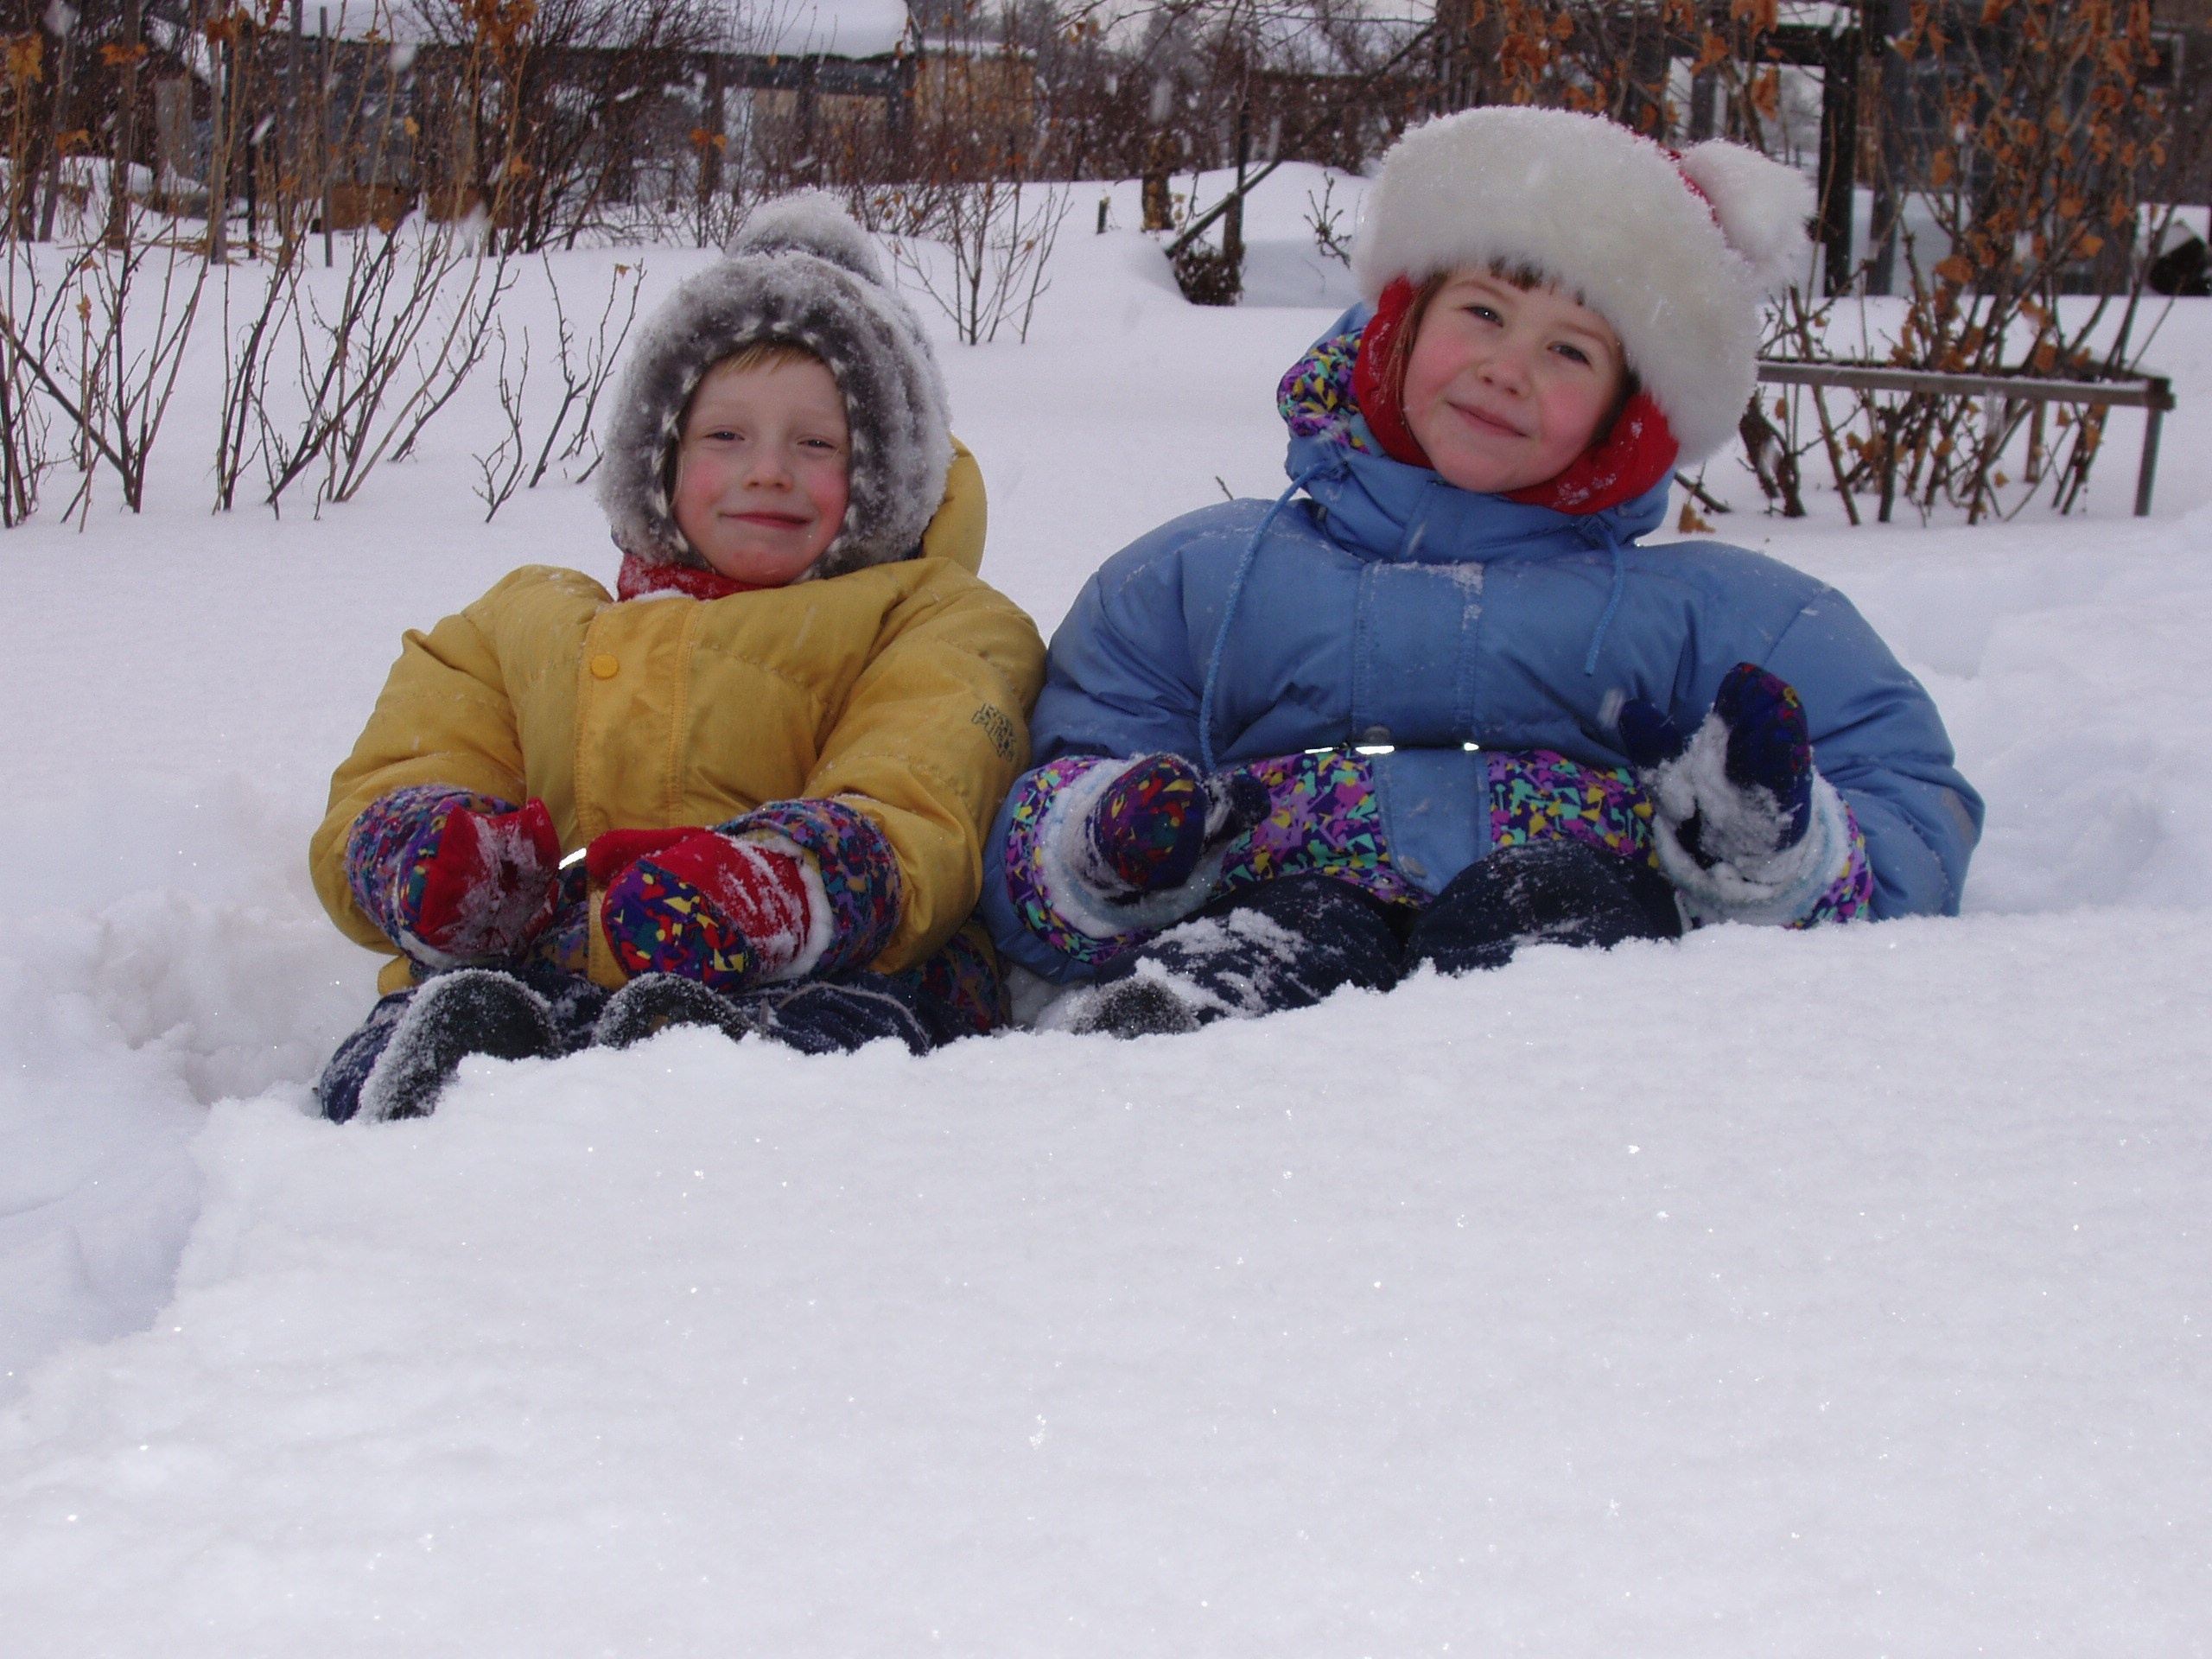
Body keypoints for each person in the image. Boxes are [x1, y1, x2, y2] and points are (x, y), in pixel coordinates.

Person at [982, 108, 1983, 1036]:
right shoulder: (1202, 578)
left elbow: (1909, 817)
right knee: (1264, 953)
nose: (1509, 369)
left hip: (1566, 926)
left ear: (1623, 420)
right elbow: (1058, 769)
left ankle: (1538, 1125)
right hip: (1273, 908)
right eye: (1484, 313)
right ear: (1403, 323)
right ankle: (1147, 1091)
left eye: (1571, 352)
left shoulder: (1721, 617)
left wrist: (1771, 848)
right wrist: (1104, 843)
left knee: (1555, 941)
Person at [311, 193, 1046, 1121]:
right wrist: (431, 862)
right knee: (445, 1018)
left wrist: (779, 885)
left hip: (825, 976)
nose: (767, 470)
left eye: (817, 442)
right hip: (550, 960)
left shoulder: (935, 619)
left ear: (886, 473)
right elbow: (409, 761)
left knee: (799, 1066)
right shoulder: (523, 623)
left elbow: (920, 792)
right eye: (725, 436)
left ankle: (701, 1146)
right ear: (658, 458)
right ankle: (428, 1147)